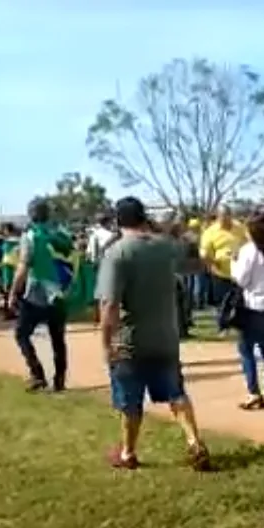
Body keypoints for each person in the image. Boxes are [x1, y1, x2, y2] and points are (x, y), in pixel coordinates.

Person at [95, 196, 211, 470]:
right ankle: (194, 441)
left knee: (130, 401)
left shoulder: (117, 253)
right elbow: (196, 258)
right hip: (165, 336)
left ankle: (128, 452)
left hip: (130, 340)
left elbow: (109, 304)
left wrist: (106, 342)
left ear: (117, 221)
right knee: (176, 393)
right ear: (144, 218)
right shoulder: (166, 247)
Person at [8, 200, 72, 392]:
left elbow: (23, 267)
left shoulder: (31, 236)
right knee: (58, 338)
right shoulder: (61, 234)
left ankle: (37, 374)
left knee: (21, 334)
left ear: (31, 215)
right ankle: (60, 380)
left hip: (37, 292)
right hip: (60, 292)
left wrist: (13, 292)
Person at [231, 209, 264, 409]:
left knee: (246, 350)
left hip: (253, 305)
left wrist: (233, 262)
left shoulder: (249, 251)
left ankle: (254, 392)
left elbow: (242, 280)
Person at [199, 204, 244, 308]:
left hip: (240, 273)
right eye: (223, 217)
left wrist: (241, 253)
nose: (227, 220)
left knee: (240, 305)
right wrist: (212, 263)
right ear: (218, 217)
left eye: (228, 216)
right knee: (223, 304)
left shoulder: (240, 227)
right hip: (220, 274)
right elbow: (204, 253)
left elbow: (249, 242)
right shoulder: (210, 232)